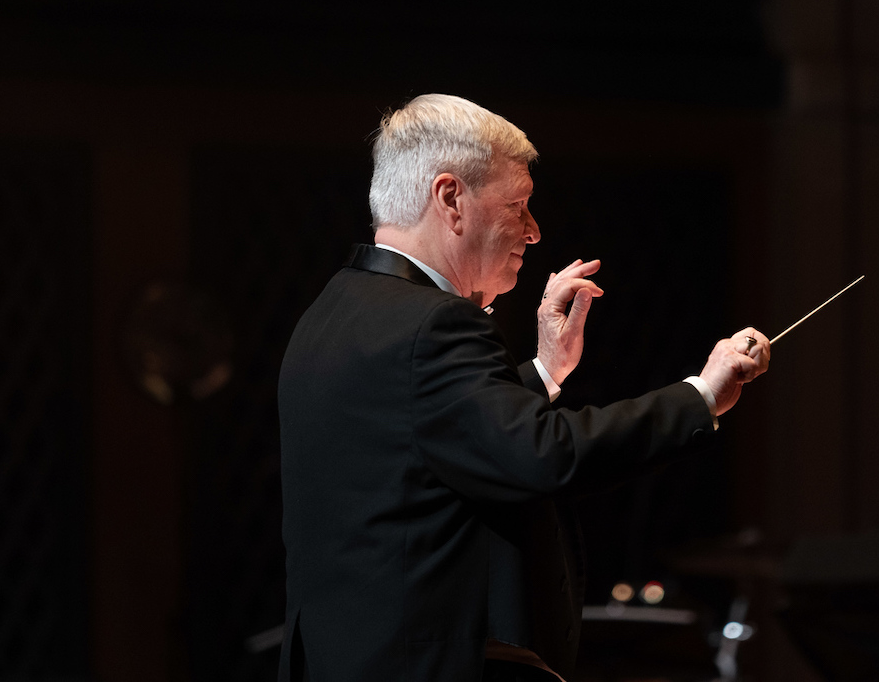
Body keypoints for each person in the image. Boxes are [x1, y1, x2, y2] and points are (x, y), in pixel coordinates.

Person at [278, 94, 771, 682]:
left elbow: (440, 436)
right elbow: (543, 454)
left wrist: (545, 370)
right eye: (518, 206)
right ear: (450, 199)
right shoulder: (433, 322)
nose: (534, 232)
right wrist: (701, 394)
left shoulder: (333, 311)